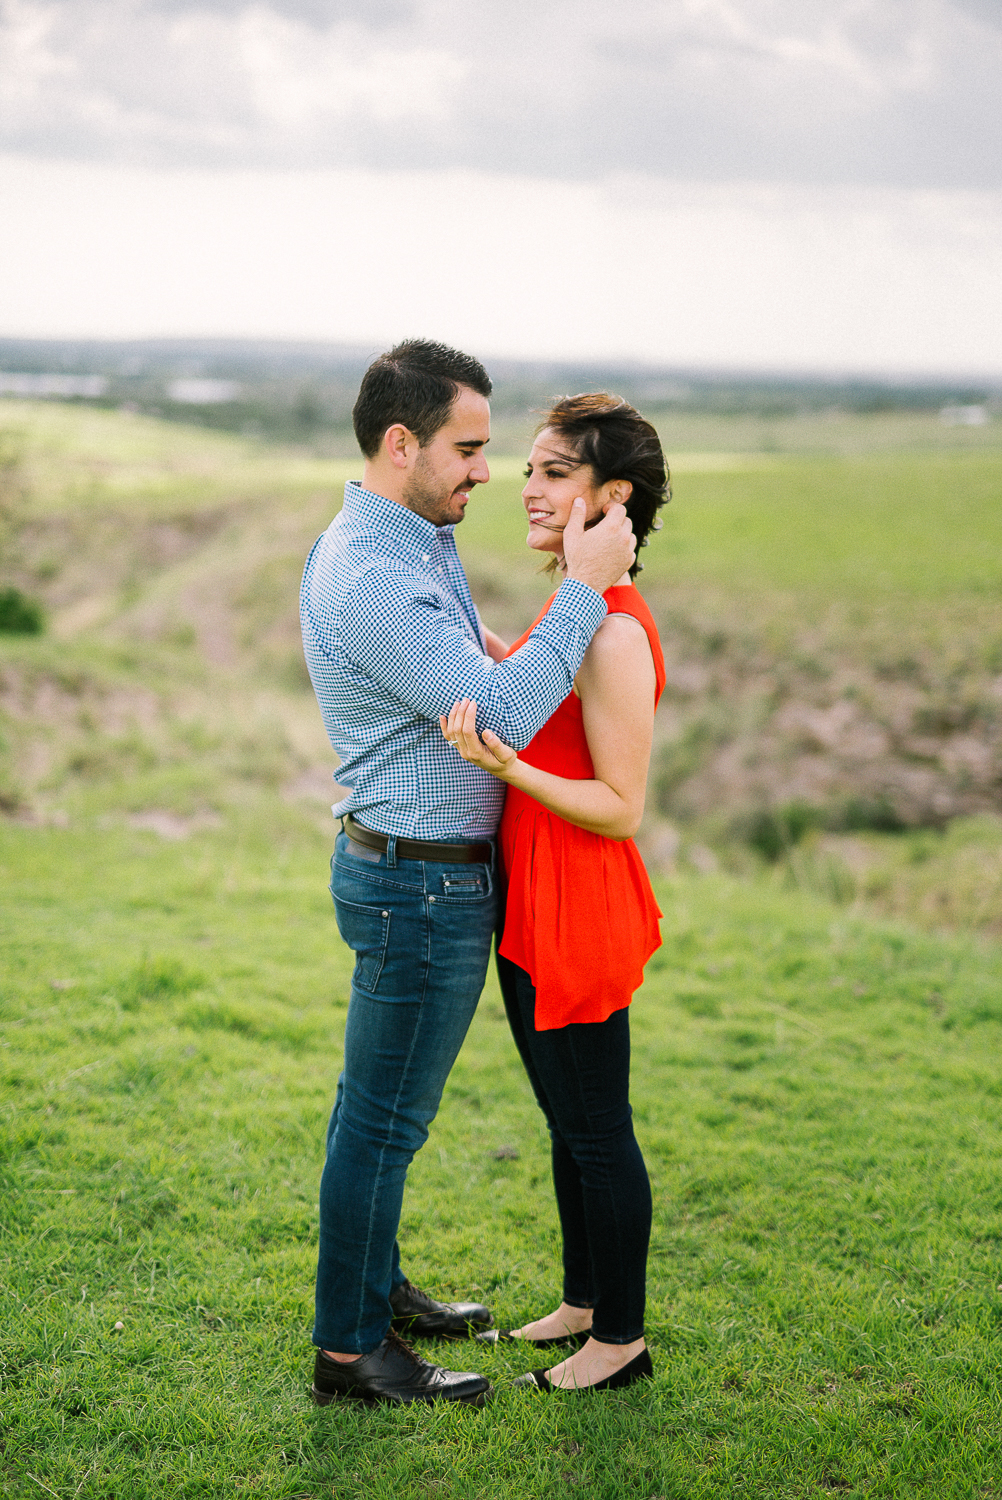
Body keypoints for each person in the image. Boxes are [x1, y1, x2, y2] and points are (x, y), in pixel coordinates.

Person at [299, 344, 637, 1407]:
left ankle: (377, 1286)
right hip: (419, 887)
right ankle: (353, 1351)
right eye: (470, 449)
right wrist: (586, 593)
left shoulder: (412, 538)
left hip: (430, 879)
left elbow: (476, 668)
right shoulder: (374, 572)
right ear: (401, 445)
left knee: (381, 1109)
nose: (488, 473)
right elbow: (494, 717)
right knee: (384, 1118)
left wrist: (523, 636)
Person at [441, 393, 669, 1394]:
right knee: (565, 1119)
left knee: (598, 1128)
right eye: (527, 470)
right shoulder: (572, 607)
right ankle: (583, 1302)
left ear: (610, 497)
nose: (526, 489)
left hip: (580, 903)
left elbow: (620, 804)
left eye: (552, 471)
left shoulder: (614, 633)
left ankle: (621, 1343)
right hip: (536, 895)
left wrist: (506, 765)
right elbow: (544, 690)